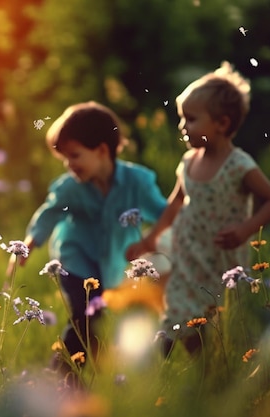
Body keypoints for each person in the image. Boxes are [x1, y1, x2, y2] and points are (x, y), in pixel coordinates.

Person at [126, 62, 270, 355]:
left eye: (191, 119)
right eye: (182, 118)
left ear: (221, 124)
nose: (183, 126)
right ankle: (176, 363)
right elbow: (175, 202)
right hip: (188, 253)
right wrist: (151, 239)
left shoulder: (239, 165)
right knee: (177, 308)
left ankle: (213, 366)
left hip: (220, 259)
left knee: (216, 316)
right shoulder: (188, 163)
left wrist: (245, 229)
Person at [9, 101, 167, 380]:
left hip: (115, 262)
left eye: (75, 156)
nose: (70, 166)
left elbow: (163, 213)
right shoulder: (71, 187)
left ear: (102, 150)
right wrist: (30, 243)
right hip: (76, 259)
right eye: (64, 159)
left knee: (114, 318)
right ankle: (61, 377)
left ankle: (110, 374)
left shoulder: (137, 182)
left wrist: (153, 240)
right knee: (85, 316)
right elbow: (50, 212)